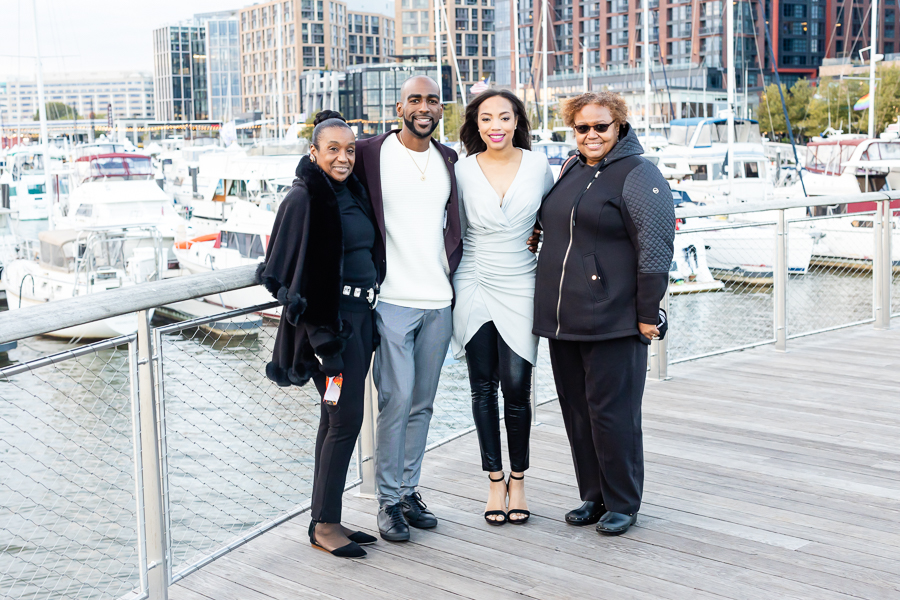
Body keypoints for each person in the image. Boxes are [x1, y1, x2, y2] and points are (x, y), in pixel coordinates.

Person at [530, 92, 675, 536]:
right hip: (563, 317)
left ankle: (623, 502)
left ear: (619, 127)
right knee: (577, 411)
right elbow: (562, 220)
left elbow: (656, 248)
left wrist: (648, 312)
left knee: (613, 414)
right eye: (582, 128)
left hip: (614, 317)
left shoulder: (638, 174)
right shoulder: (573, 167)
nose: (591, 135)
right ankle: (593, 495)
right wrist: (540, 233)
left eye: (601, 126)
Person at [257, 110, 384, 558]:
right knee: (344, 419)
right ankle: (324, 526)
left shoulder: (350, 192)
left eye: (350, 149)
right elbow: (287, 279)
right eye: (333, 149)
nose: (344, 157)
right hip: (329, 333)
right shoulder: (303, 199)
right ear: (314, 152)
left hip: (360, 321)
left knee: (336, 421)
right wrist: (323, 344)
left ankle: (325, 516)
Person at [353, 76, 463, 542]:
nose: (424, 107)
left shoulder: (448, 159)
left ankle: (409, 491)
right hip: (393, 299)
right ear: (399, 107)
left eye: (432, 100)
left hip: (440, 299)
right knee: (394, 401)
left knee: (422, 404)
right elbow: (320, 183)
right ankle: (387, 501)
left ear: (441, 109)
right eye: (415, 99)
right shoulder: (369, 154)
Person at [452, 90, 553, 525]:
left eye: (504, 117)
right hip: (472, 280)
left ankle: (520, 479)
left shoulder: (538, 166)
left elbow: (554, 220)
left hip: (520, 281)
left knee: (516, 388)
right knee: (481, 388)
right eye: (487, 117)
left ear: (517, 122)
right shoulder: (460, 171)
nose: (496, 125)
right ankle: (495, 482)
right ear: (476, 123)